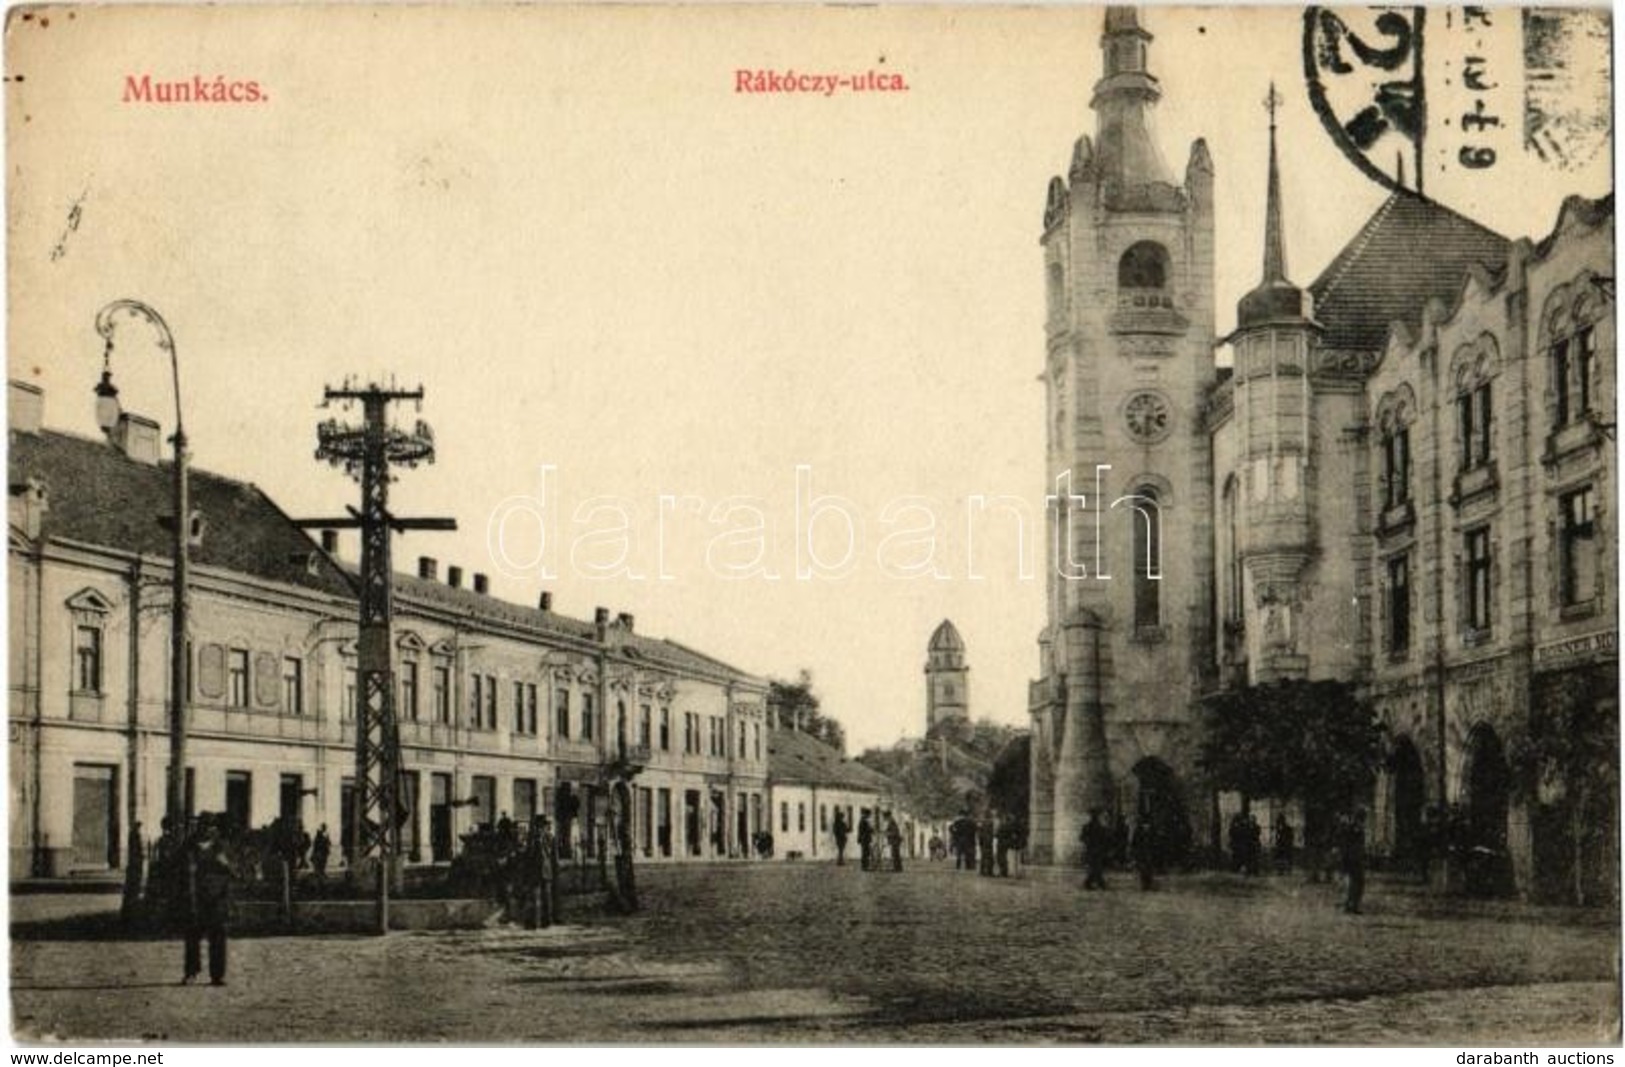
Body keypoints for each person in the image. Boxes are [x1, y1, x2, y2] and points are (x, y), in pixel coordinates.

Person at [182, 814, 232, 986]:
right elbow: (177, 869)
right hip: (195, 897)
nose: (207, 829)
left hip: (217, 899)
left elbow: (234, 872)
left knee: (218, 937)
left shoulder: (222, 846)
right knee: (192, 937)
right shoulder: (189, 845)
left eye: (210, 826)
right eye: (203, 825)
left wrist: (226, 864)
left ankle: (217, 975)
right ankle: (191, 972)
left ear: (215, 828)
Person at [1340, 808, 1367, 914]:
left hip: (1352, 858)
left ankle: (1351, 904)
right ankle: (1352, 905)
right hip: (1353, 858)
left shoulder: (1353, 827)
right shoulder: (1354, 828)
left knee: (1354, 883)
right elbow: (1350, 844)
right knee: (1357, 883)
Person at [1080, 810, 1110, 890]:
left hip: (1092, 850)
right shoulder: (1101, 828)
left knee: (1095, 867)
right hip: (1097, 850)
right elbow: (1106, 840)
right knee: (1097, 867)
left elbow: (1082, 838)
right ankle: (1099, 883)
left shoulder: (1087, 827)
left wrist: (1088, 843)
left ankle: (1090, 883)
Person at [1130, 813, 1156, 890]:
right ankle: (1145, 884)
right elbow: (1135, 843)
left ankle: (1147, 883)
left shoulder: (1145, 831)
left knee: (1147, 868)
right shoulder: (1138, 831)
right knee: (1143, 869)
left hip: (1147, 852)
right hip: (1142, 853)